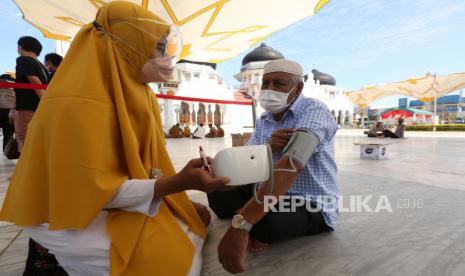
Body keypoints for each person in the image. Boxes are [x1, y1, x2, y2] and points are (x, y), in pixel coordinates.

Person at [0, 2, 229, 275]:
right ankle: (53, 255)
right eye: (159, 48)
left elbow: (142, 168)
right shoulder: (75, 104)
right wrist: (177, 184)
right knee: (176, 265)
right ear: (125, 45)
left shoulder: (139, 93)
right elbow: (89, 191)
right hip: (70, 212)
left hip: (114, 198)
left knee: (198, 220)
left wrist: (174, 192)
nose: (168, 57)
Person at [208, 59, 339, 274]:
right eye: (266, 83)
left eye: (279, 84)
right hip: (266, 191)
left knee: (262, 221)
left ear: (298, 88)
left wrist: (241, 224)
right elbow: (248, 159)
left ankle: (249, 216)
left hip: (310, 203)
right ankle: (251, 213)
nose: (270, 89)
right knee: (218, 188)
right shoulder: (265, 119)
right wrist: (268, 147)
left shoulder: (314, 111)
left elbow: (291, 165)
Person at [14, 36, 49, 153]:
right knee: (38, 141)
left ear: (20, 47)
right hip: (39, 108)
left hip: (27, 109)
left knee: (24, 141)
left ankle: (27, 170)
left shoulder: (23, 60)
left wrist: (44, 102)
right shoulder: (42, 66)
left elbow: (34, 82)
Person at [0, 74, 16, 150]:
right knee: (8, 134)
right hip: (10, 111)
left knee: (8, 133)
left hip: (3, 110)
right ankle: (7, 151)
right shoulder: (15, 84)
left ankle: (7, 150)